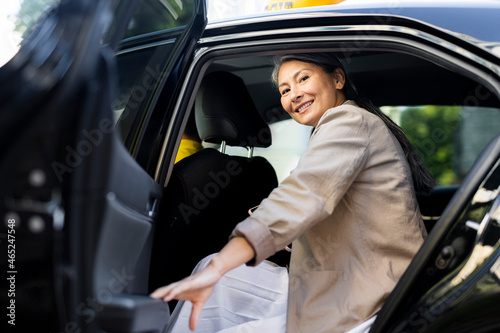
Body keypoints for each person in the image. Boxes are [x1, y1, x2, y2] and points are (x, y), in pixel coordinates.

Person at [151, 53, 434, 332]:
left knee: (215, 272)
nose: (294, 94)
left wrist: (225, 261)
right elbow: (321, 198)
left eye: (303, 79)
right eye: (285, 90)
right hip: (344, 278)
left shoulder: (349, 122)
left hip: (370, 298)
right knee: (213, 272)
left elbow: (304, 193)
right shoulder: (341, 127)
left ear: (337, 78)